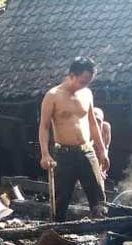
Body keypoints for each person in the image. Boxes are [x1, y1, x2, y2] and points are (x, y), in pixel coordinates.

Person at [39, 57, 110, 220]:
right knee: (61, 199)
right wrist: (44, 154)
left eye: (88, 82)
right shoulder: (53, 96)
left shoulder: (87, 94)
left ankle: (102, 237)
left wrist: (102, 150)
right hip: (64, 154)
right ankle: (57, 236)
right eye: (83, 81)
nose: (85, 85)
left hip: (87, 151)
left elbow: (93, 123)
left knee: (98, 197)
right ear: (71, 75)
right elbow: (44, 127)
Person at [93, 107, 112, 174]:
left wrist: (102, 168)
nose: (96, 123)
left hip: (99, 154)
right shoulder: (85, 127)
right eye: (94, 119)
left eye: (98, 120)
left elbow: (106, 147)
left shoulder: (105, 127)